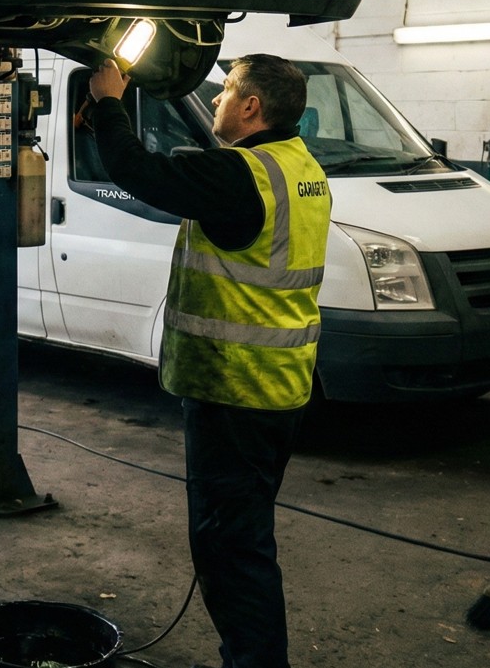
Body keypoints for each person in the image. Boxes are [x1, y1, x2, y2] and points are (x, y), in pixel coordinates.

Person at [87, 53, 331, 668]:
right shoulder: (301, 168)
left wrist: (111, 99)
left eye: (225, 93)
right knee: (243, 539)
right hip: (280, 389)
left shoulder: (241, 175)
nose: (217, 100)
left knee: (231, 549)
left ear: (251, 107)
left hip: (237, 391)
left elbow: (136, 169)